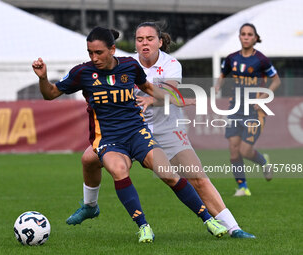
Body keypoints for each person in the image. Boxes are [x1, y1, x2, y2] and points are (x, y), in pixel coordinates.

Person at [32, 26, 227, 243]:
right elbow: (50, 94)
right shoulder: (83, 73)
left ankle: (209, 220)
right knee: (118, 170)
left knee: (168, 173)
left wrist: (178, 99)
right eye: (90, 53)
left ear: (113, 50)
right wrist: (43, 77)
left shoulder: (130, 66)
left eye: (99, 53)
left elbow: (151, 89)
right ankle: (143, 226)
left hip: (137, 132)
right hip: (109, 138)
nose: (94, 58)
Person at [67, 22, 255, 238]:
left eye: (149, 38)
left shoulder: (171, 64)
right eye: (139, 39)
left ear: (160, 42)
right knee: (88, 159)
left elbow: (169, 92)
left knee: (198, 178)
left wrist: (150, 99)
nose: (144, 43)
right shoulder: (122, 63)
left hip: (166, 130)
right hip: (129, 131)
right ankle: (90, 207)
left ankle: (234, 228)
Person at [215, 23, 281, 196]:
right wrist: (217, 86)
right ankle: (242, 187)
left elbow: (276, 81)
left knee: (245, 151)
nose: (246, 37)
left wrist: (264, 96)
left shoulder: (261, 60)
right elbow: (223, 74)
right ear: (239, 37)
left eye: (249, 34)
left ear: (255, 38)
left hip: (254, 111)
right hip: (234, 109)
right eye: (243, 34)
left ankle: (263, 161)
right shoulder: (231, 58)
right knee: (233, 150)